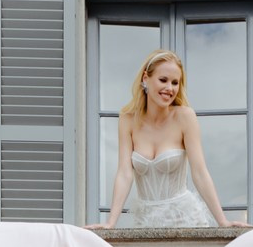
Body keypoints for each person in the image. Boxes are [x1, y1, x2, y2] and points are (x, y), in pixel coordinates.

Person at [98, 50, 233, 230]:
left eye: (175, 82)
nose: (170, 88)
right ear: (145, 79)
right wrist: (110, 223)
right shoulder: (127, 120)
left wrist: (222, 222)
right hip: (145, 223)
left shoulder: (185, 117)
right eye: (163, 80)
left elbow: (200, 173)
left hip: (185, 221)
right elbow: (124, 173)